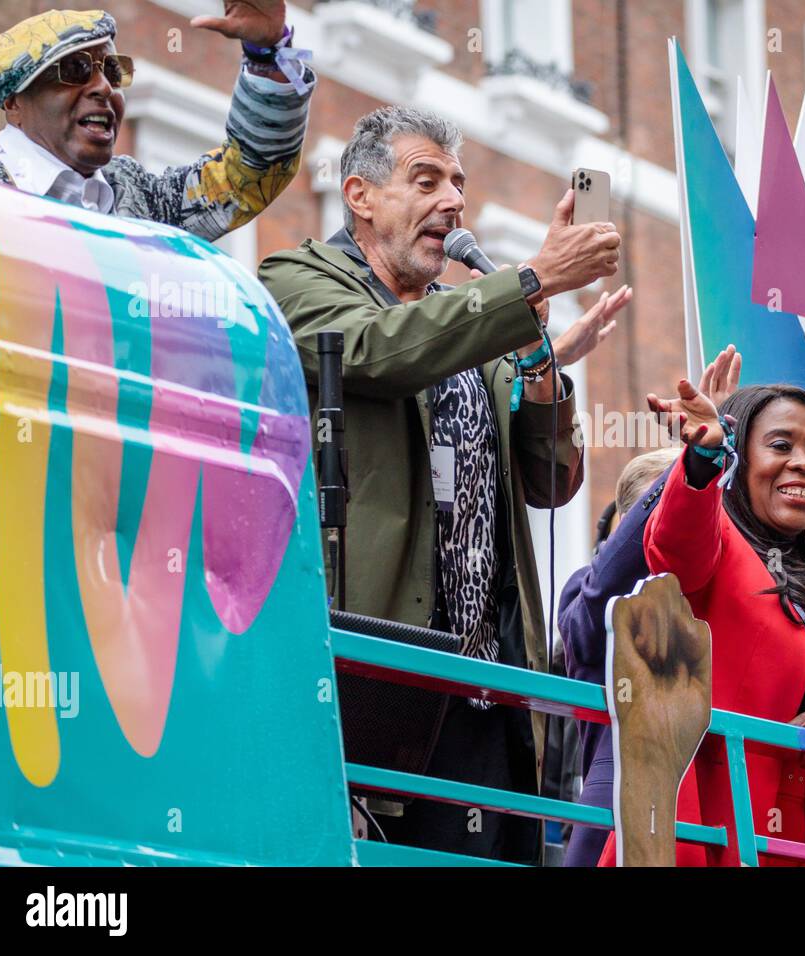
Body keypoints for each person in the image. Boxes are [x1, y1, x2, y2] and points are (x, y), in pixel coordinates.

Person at [259, 105, 623, 863]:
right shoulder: (297, 279)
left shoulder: (474, 326)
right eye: (426, 180)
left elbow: (551, 481)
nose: (452, 200)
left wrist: (540, 362)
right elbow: (379, 352)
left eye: (458, 183)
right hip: (374, 678)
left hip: (486, 697)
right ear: (359, 194)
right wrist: (525, 285)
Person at [595, 380, 805, 867]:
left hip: (803, 837)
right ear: (742, 460)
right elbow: (673, 547)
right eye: (780, 445)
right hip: (715, 825)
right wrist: (705, 460)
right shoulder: (718, 541)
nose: (803, 462)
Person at [557, 349, 739, 866]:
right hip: (620, 808)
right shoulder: (586, 591)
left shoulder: (704, 603)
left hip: (707, 811)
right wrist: (697, 465)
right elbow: (597, 604)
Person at [0, 5, 314, 238]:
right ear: (14, 103)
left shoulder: (137, 196)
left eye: (112, 70)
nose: (103, 87)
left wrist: (267, 53)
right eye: (76, 69)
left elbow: (248, 173)